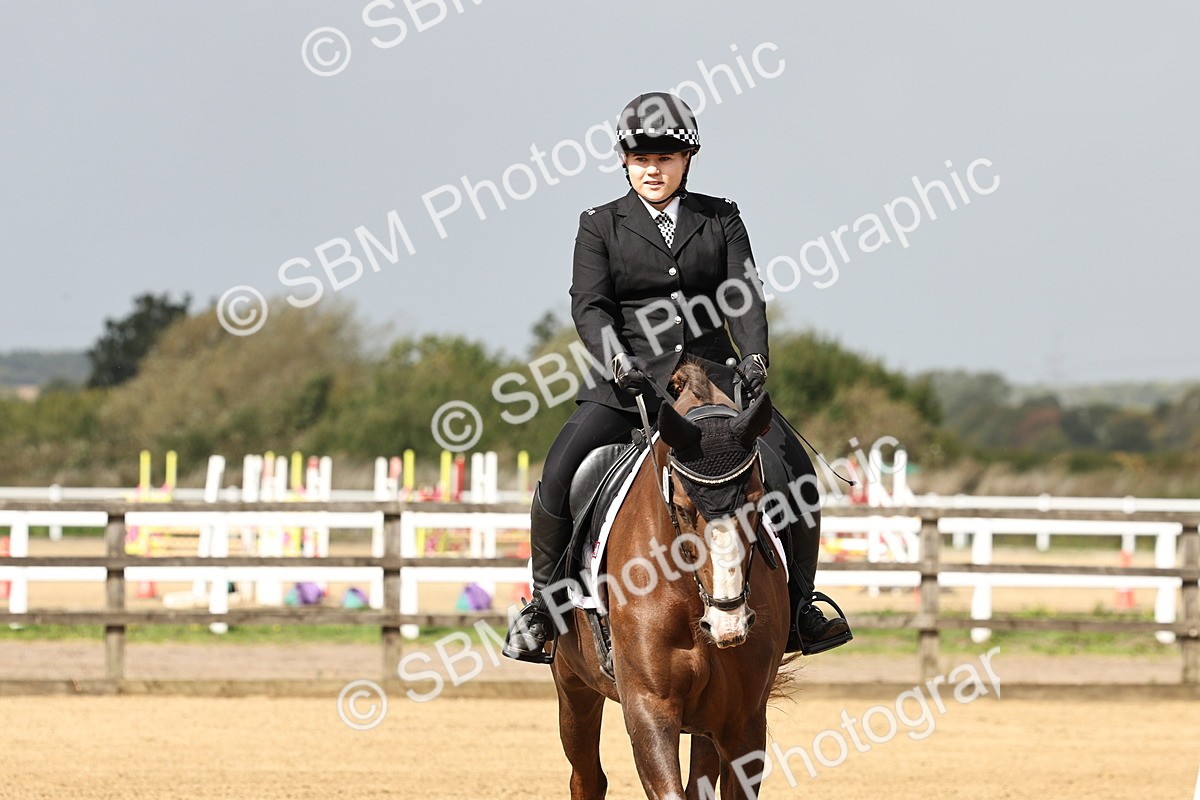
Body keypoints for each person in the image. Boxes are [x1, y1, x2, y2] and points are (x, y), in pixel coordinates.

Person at [502, 91, 851, 664]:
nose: (652, 169)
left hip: (714, 386)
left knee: (797, 473)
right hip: (627, 384)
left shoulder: (721, 217)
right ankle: (545, 606)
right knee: (559, 474)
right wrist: (617, 358)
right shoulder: (600, 225)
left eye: (664, 158)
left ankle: (800, 607)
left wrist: (755, 357)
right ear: (624, 161)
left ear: (687, 159)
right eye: (641, 159)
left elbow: (743, 294)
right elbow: (590, 306)